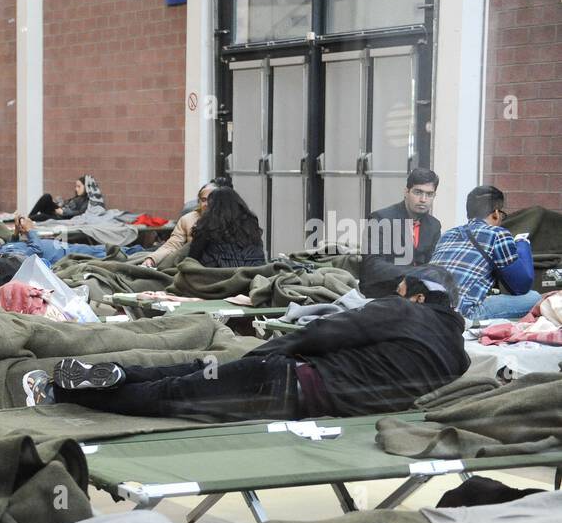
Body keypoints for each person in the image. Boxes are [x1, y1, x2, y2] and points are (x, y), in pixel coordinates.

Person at [34, 274, 467, 420]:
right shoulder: (457, 357)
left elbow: (330, 332)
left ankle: (64, 390)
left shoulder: (403, 311)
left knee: (174, 387)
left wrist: (271, 349)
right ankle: (116, 375)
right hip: (313, 408)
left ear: (419, 297)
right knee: (181, 387)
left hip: (284, 379)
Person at [432, 185, 538, 322]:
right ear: (495, 213)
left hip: (429, 308)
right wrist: (522, 244)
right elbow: (521, 286)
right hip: (462, 314)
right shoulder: (498, 233)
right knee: (534, 298)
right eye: (502, 214)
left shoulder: (448, 234)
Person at [360, 167, 443, 297]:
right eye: (418, 192)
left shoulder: (434, 225)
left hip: (418, 294)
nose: (423, 199)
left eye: (429, 194)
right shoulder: (380, 218)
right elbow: (373, 265)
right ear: (406, 192)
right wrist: (413, 275)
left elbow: (433, 263)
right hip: (384, 291)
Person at [187, 186, 266, 268]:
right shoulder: (250, 225)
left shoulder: (207, 226)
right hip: (253, 272)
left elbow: (192, 257)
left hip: (217, 275)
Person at [0, 215, 111, 266]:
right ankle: (127, 253)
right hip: (63, 255)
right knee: (103, 253)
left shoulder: (3, 248)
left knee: (99, 249)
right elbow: (37, 251)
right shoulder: (4, 256)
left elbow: (14, 245)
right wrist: (30, 230)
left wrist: (16, 232)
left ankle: (126, 252)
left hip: (61, 247)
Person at [151, 180, 219, 266]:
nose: (207, 204)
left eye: (211, 199)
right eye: (203, 200)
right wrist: (152, 259)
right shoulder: (187, 219)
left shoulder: (230, 219)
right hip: (192, 265)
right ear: (199, 202)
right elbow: (173, 245)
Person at [29, 174, 104, 222]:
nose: (76, 189)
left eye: (79, 186)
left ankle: (26, 220)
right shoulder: (77, 198)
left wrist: (63, 212)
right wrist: (59, 205)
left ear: (86, 187)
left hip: (63, 218)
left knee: (44, 216)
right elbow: (66, 205)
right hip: (58, 212)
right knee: (47, 196)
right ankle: (28, 217)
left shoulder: (87, 201)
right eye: (76, 186)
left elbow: (80, 213)